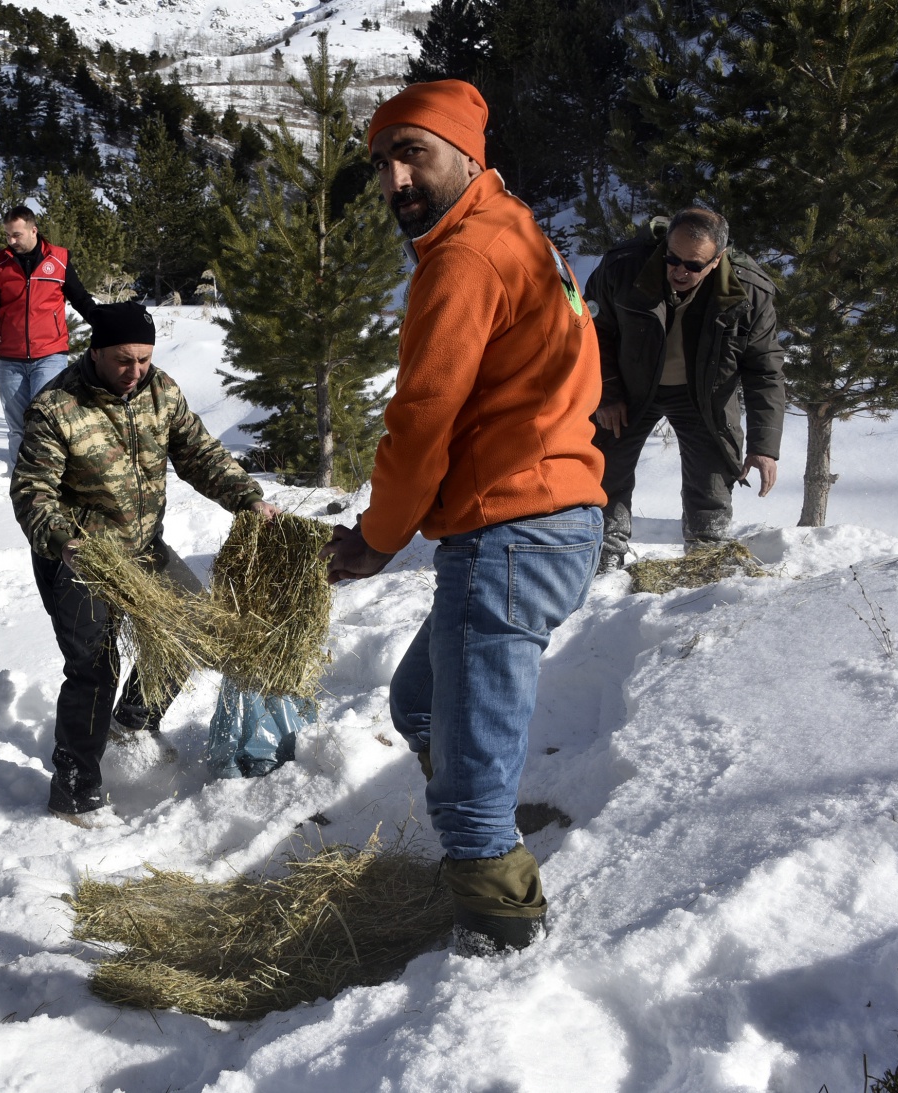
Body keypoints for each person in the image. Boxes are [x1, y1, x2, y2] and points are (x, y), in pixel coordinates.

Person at [322, 80, 607, 956]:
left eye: (415, 153)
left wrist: (375, 539)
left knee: (465, 779)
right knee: (418, 701)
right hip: (549, 520)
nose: (395, 179)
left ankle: (502, 937)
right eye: (382, 162)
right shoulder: (518, 231)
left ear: (467, 155)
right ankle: (490, 817)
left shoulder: (464, 259)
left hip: (512, 531)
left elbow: (421, 422)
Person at [10, 302, 279, 827]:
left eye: (144, 360)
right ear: (96, 352)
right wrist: (63, 539)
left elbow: (200, 453)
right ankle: (75, 790)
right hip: (80, 557)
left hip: (144, 547)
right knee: (94, 668)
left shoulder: (161, 390)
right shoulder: (56, 406)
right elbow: (31, 493)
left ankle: (133, 724)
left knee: (190, 631)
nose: (135, 372)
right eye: (123, 360)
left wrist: (248, 499)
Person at [586, 207, 787, 570]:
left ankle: (704, 564)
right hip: (630, 387)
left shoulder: (748, 292)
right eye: (672, 258)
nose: (679, 271)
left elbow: (765, 369)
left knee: (710, 485)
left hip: (702, 396)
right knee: (605, 468)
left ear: (717, 259)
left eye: (693, 265)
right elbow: (590, 332)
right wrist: (609, 393)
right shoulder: (623, 267)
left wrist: (764, 446)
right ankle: (602, 556)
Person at [0, 206, 97, 467]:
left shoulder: (59, 260)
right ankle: (21, 479)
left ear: (33, 230)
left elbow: (81, 300)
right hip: (10, 359)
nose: (11, 241)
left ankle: (52, 474)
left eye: (16, 235)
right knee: (17, 425)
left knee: (46, 419)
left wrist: (107, 326)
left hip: (50, 354)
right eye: (7, 235)